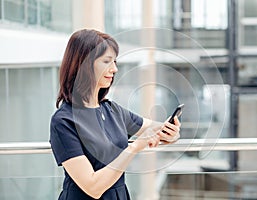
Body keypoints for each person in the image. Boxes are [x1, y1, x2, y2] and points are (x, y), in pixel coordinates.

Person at [49, 29, 181, 200]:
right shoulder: (64, 121)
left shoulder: (112, 110)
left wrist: (172, 133)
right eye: (107, 61)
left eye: (115, 62)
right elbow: (93, 187)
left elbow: (157, 129)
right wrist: (133, 148)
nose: (115, 69)